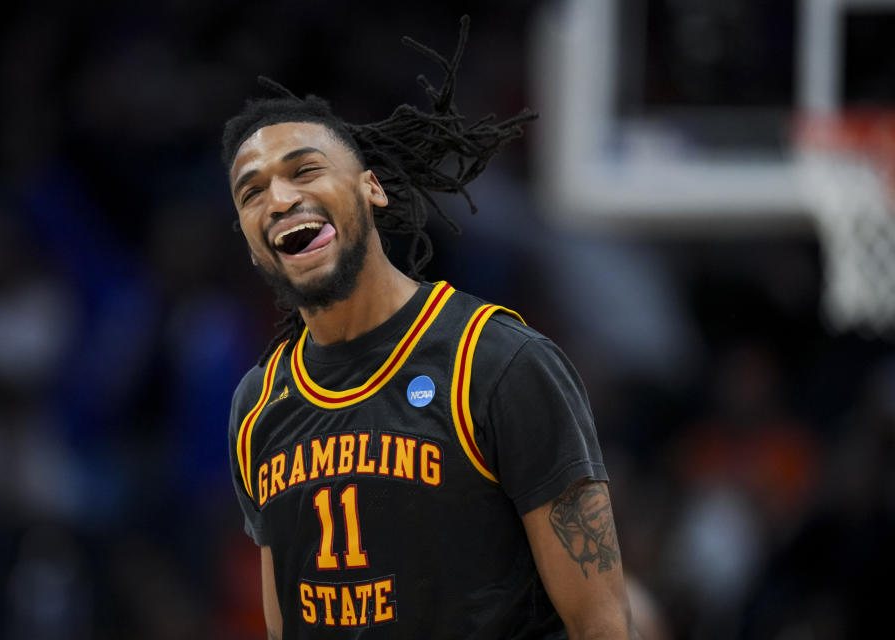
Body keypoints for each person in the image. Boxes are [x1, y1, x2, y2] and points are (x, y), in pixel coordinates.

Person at [224, 17, 636, 639]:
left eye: (305, 171)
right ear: (252, 246)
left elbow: (602, 626)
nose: (278, 199)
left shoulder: (498, 362)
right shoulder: (258, 406)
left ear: (372, 191)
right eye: (251, 192)